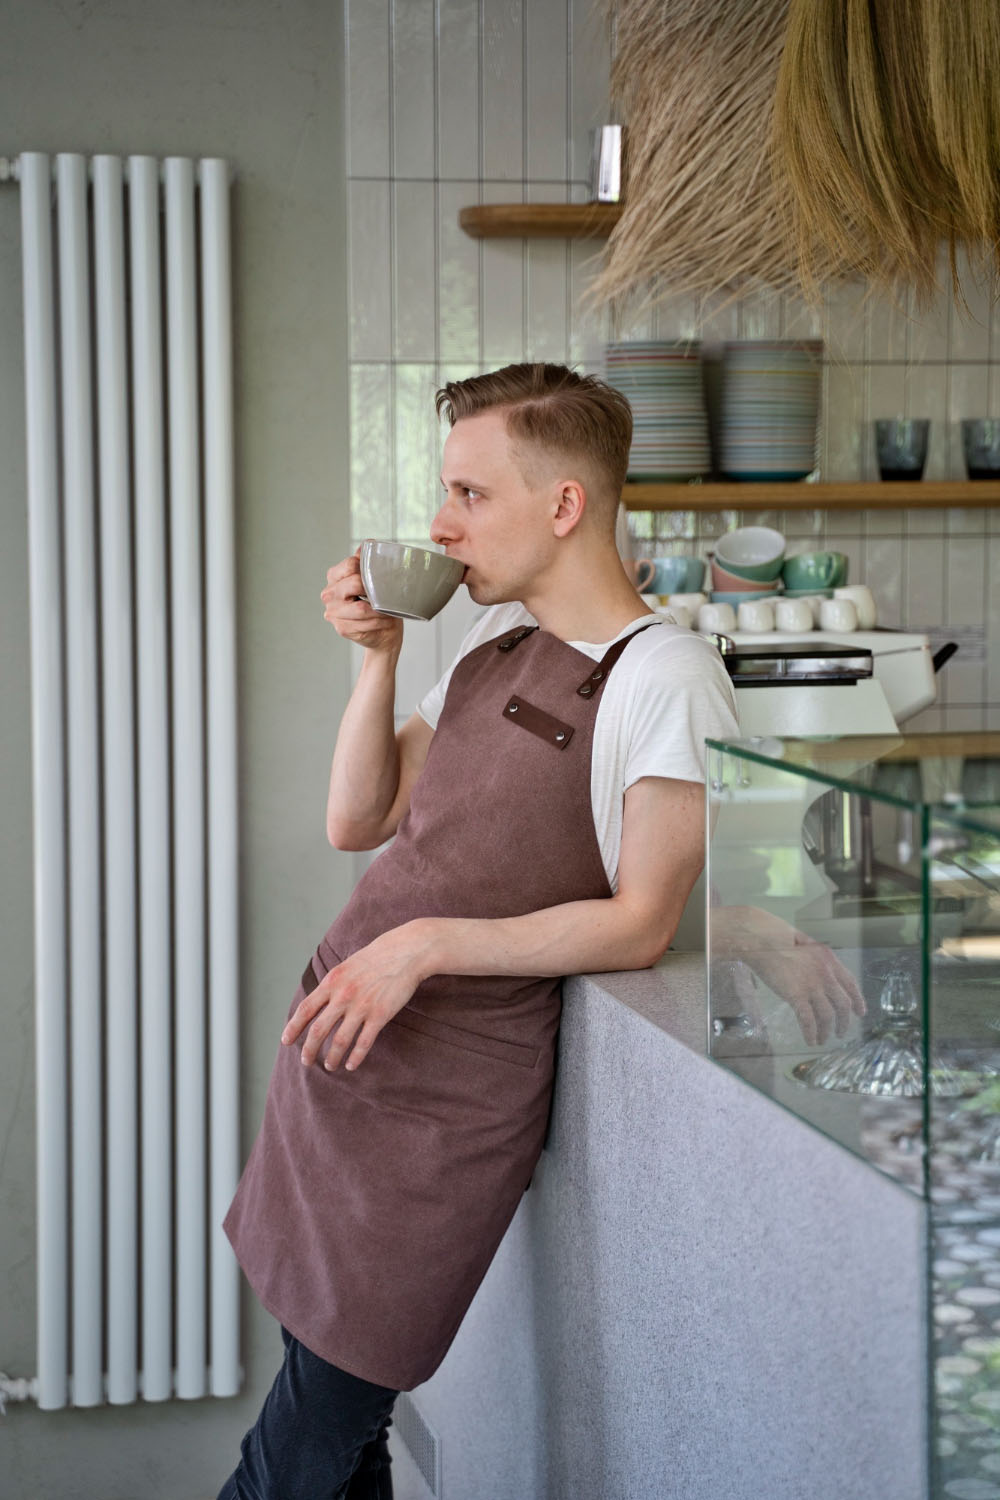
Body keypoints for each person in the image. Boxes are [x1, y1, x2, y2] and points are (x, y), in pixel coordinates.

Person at [217, 362, 741, 1500]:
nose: (441, 526)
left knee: (292, 1460)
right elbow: (358, 818)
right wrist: (380, 656)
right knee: (345, 1444)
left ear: (564, 505)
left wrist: (425, 944)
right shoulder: (482, 644)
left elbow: (642, 920)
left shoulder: (667, 678)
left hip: (440, 1119)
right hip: (343, 1073)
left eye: (468, 494)